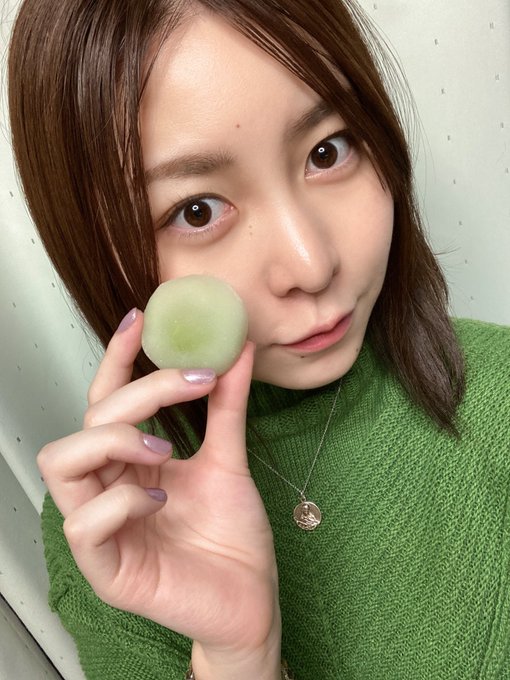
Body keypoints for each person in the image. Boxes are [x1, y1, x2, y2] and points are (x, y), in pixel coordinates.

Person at [7, 0, 510, 678]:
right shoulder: (111, 519)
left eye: (328, 151)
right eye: (197, 211)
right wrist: (237, 657)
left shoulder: (500, 390)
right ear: (98, 249)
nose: (312, 264)